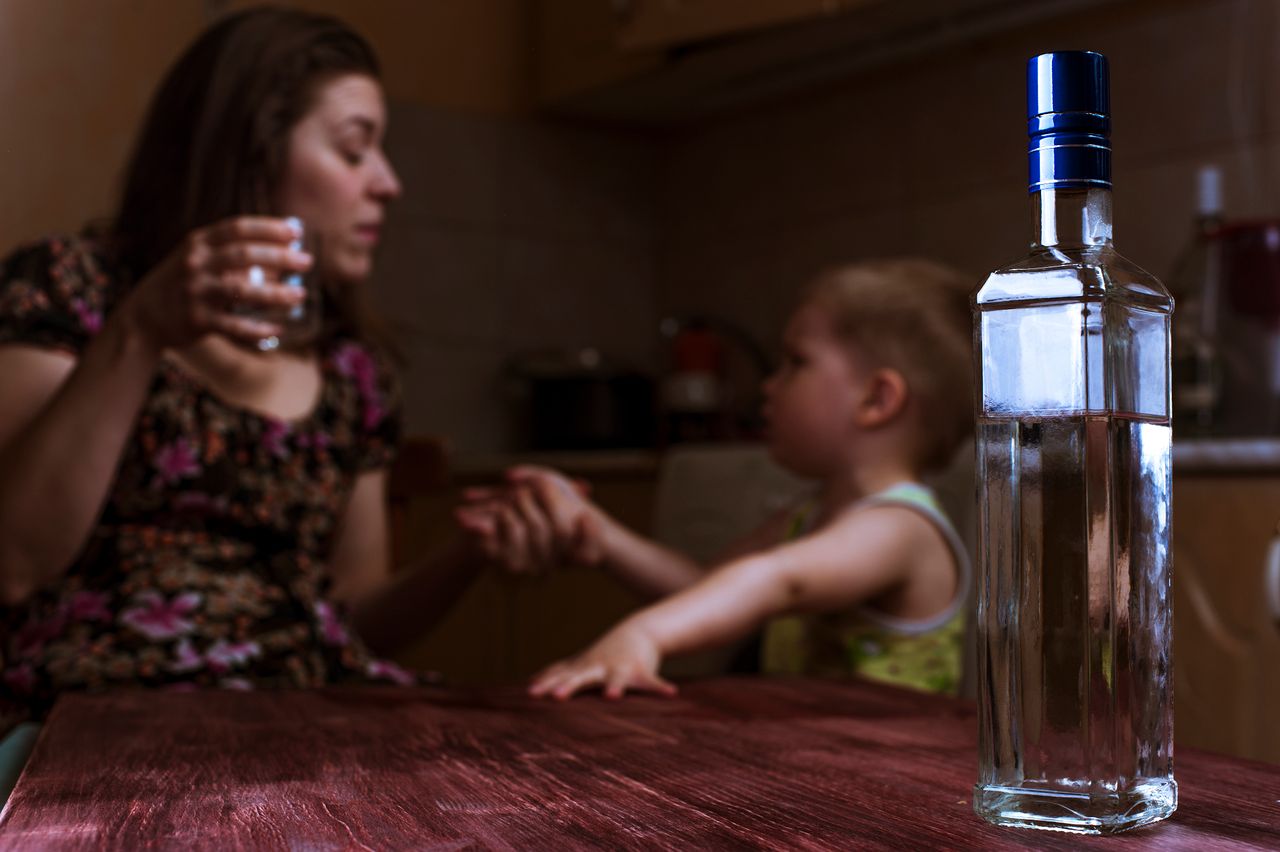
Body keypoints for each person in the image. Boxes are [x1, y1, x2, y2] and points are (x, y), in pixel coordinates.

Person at [0, 8, 478, 729]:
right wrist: (140, 331)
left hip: (306, 715)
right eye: (355, 151)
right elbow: (13, 563)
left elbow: (351, 617)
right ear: (250, 151)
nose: (388, 183)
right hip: (97, 717)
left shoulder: (353, 372)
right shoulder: (74, 290)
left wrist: (468, 556)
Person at [459, 259, 974, 699]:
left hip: (897, 783)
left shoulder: (902, 527)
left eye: (796, 362)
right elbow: (701, 587)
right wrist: (602, 536)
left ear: (877, 400)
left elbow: (775, 582)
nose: (769, 386)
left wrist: (644, 635)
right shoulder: (808, 516)